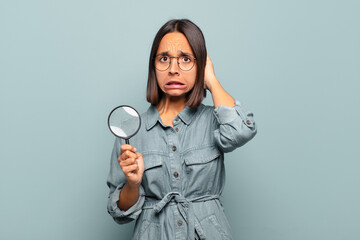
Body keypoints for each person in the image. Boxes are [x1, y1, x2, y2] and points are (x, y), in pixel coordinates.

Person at [107, 19, 257, 240]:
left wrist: (212, 81)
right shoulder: (131, 131)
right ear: (153, 66)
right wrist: (133, 183)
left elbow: (240, 132)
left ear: (201, 65)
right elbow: (119, 212)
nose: (173, 70)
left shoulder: (212, 119)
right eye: (164, 59)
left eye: (186, 59)